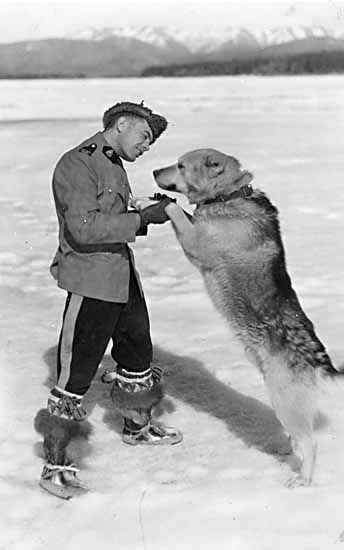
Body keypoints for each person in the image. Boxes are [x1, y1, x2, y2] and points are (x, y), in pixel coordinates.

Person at [34, 101, 182, 499]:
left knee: (137, 355)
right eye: (145, 136)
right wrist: (142, 219)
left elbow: (110, 212)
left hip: (121, 276)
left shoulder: (113, 163)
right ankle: (56, 464)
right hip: (92, 282)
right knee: (76, 373)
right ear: (120, 126)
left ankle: (138, 426)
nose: (147, 146)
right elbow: (84, 228)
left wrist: (143, 208)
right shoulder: (77, 164)